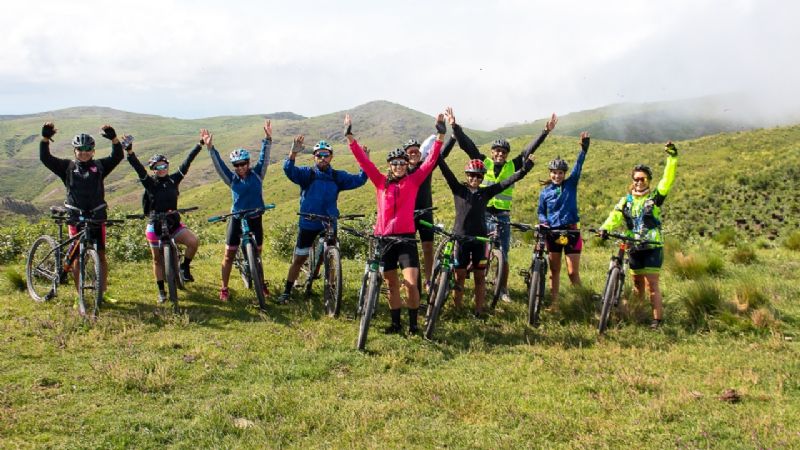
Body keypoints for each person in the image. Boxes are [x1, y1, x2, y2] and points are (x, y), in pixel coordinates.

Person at [346, 112, 445, 334]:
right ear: (390, 165)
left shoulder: (413, 181)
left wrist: (440, 136)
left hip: (406, 240)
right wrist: (350, 138)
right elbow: (364, 162)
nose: (399, 166)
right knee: (391, 284)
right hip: (384, 239)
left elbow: (430, 161)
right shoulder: (381, 182)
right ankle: (395, 324)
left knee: (410, 283)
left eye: (402, 163)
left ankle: (413, 325)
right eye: (395, 163)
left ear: (406, 164)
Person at [448, 107, 557, 302]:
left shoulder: (512, 166)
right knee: (475, 248)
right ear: (492, 152)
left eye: (504, 152)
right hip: (482, 214)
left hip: (503, 216)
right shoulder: (484, 162)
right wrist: (455, 127)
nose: (500, 154)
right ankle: (467, 279)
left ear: (507, 154)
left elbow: (528, 151)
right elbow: (467, 146)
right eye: (497, 151)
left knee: (503, 253)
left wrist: (545, 132)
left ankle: (503, 288)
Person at [437, 145, 535, 317]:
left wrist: (525, 170)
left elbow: (507, 181)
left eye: (478, 176)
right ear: (466, 175)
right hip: (461, 239)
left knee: (479, 276)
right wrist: (437, 154)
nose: (474, 178)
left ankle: (478, 311)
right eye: (471, 175)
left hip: (480, 241)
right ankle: (457, 309)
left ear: (482, 177)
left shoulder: (486, 192)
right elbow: (446, 171)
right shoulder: (458, 189)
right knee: (459, 275)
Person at [39, 122, 124, 301]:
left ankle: (102, 294)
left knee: (101, 255)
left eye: (88, 149)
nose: (84, 152)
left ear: (93, 151)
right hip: (75, 217)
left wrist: (114, 139)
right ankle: (81, 297)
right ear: (75, 151)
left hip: (97, 216)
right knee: (78, 257)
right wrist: (45, 139)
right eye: (80, 149)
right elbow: (45, 158)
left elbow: (117, 156)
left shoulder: (100, 166)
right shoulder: (67, 167)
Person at [277, 136, 368, 304]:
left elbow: (360, 180)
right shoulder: (308, 174)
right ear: (314, 157)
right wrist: (293, 154)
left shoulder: (337, 176)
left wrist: (365, 162)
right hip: (308, 222)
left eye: (326, 155)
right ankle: (287, 291)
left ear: (331, 157)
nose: (322, 158)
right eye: (319, 155)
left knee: (330, 256)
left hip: (329, 222)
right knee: (299, 259)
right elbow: (289, 170)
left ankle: (331, 288)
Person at [598, 142, 679, 329]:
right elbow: (614, 216)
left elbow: (667, 179)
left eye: (643, 179)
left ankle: (657, 320)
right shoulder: (626, 200)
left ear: (649, 180)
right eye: (636, 179)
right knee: (637, 284)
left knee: (652, 285)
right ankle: (639, 315)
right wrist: (604, 228)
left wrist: (672, 158)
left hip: (652, 246)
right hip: (633, 246)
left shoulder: (655, 197)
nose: (639, 182)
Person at [125, 137, 202, 303]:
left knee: (193, 242)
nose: (161, 169)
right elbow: (138, 169)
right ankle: (161, 291)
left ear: (168, 166)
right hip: (155, 225)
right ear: (153, 169)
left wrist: (199, 144)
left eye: (164, 166)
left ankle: (184, 268)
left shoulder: (174, 179)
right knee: (157, 259)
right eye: (157, 167)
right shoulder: (150, 183)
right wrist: (130, 152)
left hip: (173, 224)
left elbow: (187, 162)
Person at [204, 120, 273, 302]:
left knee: (257, 255)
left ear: (248, 163)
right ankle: (224, 288)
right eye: (236, 165)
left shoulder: (258, 173)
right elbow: (219, 166)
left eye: (243, 164)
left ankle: (261, 283)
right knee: (229, 255)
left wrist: (267, 139)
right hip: (236, 218)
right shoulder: (231, 178)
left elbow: (264, 158)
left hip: (255, 217)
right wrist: (211, 148)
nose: (240, 167)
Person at [537, 132, 591, 303]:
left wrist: (583, 150)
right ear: (550, 173)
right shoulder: (545, 192)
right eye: (554, 173)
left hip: (572, 232)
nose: (557, 176)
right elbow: (541, 212)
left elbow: (578, 167)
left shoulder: (571, 184)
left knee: (572, 272)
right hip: (552, 233)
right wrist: (544, 222)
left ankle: (582, 302)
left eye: (560, 173)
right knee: (554, 271)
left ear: (564, 174)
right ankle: (555, 304)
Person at [405, 137, 436, 290]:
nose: (414, 154)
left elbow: (441, 154)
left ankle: (429, 280)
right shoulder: (401, 170)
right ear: (406, 154)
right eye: (410, 151)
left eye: (416, 151)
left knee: (428, 247)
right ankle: (410, 280)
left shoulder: (425, 167)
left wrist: (450, 137)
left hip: (426, 213)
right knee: (408, 250)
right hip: (407, 216)